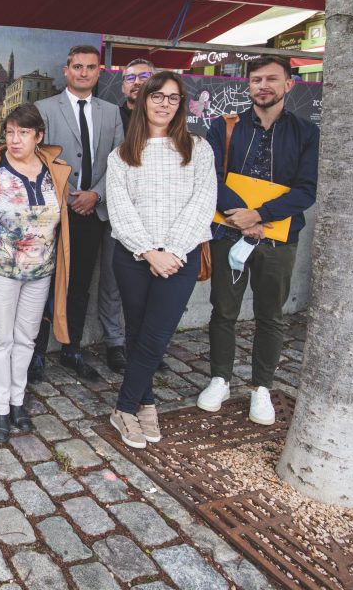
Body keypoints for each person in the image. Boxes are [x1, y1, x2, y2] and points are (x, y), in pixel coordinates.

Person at [198, 55, 319, 426]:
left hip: (278, 238)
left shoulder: (306, 133)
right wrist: (242, 216)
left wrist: (260, 215)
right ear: (248, 86)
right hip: (228, 231)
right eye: (255, 80)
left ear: (288, 84)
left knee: (271, 315)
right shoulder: (225, 126)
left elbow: (306, 190)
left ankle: (262, 387)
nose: (262, 86)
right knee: (224, 310)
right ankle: (220, 377)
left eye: (271, 79)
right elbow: (210, 176)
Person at [106, 72, 217, 449]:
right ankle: (146, 402)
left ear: (181, 104)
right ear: (144, 101)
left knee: (156, 335)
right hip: (133, 257)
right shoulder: (121, 155)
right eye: (158, 96)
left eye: (173, 98)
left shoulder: (198, 149)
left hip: (179, 258)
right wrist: (148, 251)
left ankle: (123, 407)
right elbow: (120, 212)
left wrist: (171, 251)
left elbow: (203, 204)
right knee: (137, 333)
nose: (164, 103)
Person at [0, 104, 72, 443]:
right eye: (9, 132)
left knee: (26, 339)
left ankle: (18, 401)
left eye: (23, 133)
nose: (15, 139)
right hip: (0, 268)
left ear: (39, 136)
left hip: (42, 270)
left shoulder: (55, 170)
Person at [31, 44, 125, 381]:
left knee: (80, 284)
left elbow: (119, 162)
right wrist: (65, 195)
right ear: (66, 71)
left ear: (99, 72)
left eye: (90, 67)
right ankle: (36, 354)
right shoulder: (43, 109)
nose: (83, 72)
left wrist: (96, 195)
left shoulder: (111, 112)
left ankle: (71, 348)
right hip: (53, 213)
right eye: (77, 67)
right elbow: (35, 159)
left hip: (91, 213)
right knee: (42, 282)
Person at [97, 58, 156, 373]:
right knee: (113, 282)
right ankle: (115, 344)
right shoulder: (110, 118)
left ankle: (146, 345)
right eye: (130, 77)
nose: (136, 82)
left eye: (144, 76)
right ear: (122, 85)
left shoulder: (165, 120)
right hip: (117, 213)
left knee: (152, 284)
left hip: (156, 215)